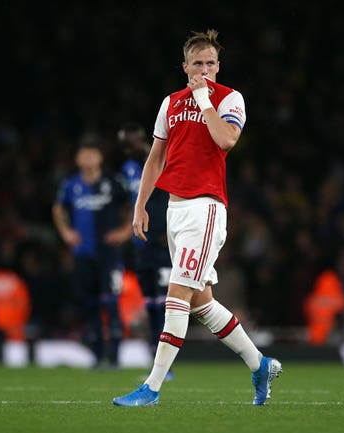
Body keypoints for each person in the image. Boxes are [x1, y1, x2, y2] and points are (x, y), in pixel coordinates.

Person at [112, 29, 281, 407]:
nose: (204, 69)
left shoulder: (229, 99)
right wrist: (140, 205)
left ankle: (152, 387)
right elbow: (156, 157)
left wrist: (205, 101)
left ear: (218, 66)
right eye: (197, 64)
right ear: (184, 67)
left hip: (205, 208)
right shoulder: (170, 102)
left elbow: (226, 140)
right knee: (201, 303)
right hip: (174, 208)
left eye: (210, 63)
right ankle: (260, 364)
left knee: (175, 295)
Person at [52, 136, 132, 369]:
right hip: (83, 254)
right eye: (84, 154)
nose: (88, 158)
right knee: (90, 304)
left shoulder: (114, 182)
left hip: (109, 254)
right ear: (77, 159)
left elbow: (133, 204)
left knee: (111, 302)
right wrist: (66, 232)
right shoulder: (71, 184)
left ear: (100, 157)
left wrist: (125, 231)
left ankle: (115, 357)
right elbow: (57, 209)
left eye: (92, 153)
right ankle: (98, 357)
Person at [118, 122, 174, 378]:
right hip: (142, 246)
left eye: (134, 142)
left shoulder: (162, 162)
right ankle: (155, 358)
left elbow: (172, 198)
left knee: (165, 304)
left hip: (163, 244)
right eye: (125, 145)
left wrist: (169, 231)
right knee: (151, 304)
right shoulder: (127, 170)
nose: (130, 148)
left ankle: (166, 364)